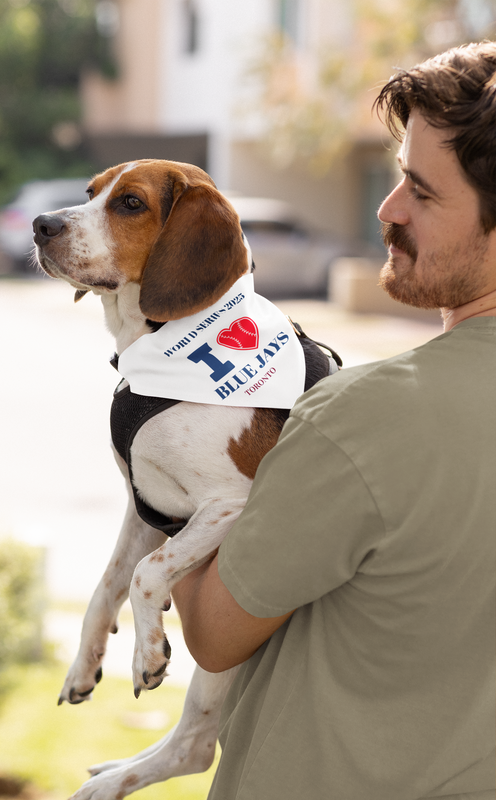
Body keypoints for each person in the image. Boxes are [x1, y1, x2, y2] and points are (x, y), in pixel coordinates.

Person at [173, 42, 496, 800]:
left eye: (420, 190)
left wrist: (165, 448)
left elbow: (214, 634)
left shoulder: (370, 418)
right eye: (396, 177)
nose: (387, 210)